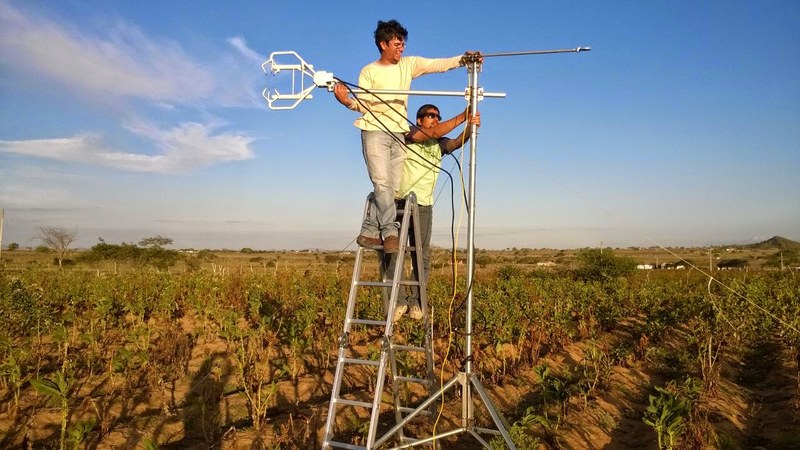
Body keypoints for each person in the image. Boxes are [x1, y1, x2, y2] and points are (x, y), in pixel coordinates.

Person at [334, 19, 481, 254]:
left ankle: (370, 230)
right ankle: (390, 233)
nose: (401, 48)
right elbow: (363, 103)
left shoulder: (408, 65)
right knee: (382, 183)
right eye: (396, 43)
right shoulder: (369, 71)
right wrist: (346, 102)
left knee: (390, 188)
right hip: (374, 130)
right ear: (383, 44)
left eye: (402, 43)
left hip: (398, 132)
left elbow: (437, 64)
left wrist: (463, 60)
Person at [385, 104, 481, 321]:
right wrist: (462, 115)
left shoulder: (439, 144)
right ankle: (398, 301)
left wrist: (470, 128)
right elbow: (432, 133)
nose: (435, 119)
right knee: (393, 253)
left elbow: (455, 142)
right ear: (419, 120)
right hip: (398, 202)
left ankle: (417, 302)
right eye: (430, 116)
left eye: (437, 116)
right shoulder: (408, 133)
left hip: (423, 206)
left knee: (421, 255)